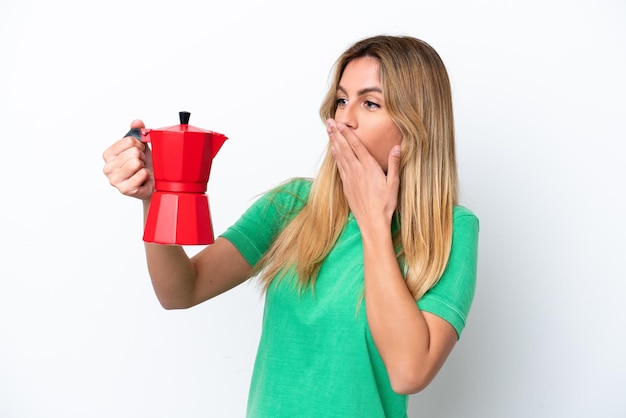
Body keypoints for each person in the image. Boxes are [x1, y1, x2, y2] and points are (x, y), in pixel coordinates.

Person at [102, 34, 479, 418]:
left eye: (370, 103)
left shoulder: (451, 231)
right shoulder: (291, 206)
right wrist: (157, 195)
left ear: (416, 124)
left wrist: (374, 222)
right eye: (342, 100)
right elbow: (181, 291)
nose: (345, 119)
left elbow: (407, 372)